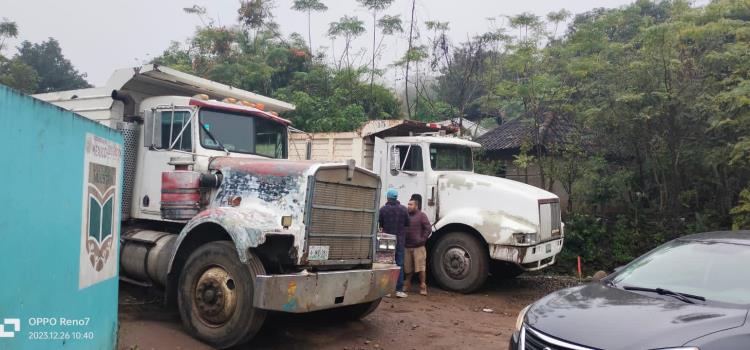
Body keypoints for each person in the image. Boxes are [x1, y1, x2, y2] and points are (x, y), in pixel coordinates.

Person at [378, 188, 409, 298]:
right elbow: (407, 223)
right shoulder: (404, 209)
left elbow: (380, 224)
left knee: (386, 265)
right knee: (399, 264)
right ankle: (399, 290)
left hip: (387, 241)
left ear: (388, 197)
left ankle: (386, 291)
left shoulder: (382, 210)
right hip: (400, 241)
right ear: (397, 197)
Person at [404, 198, 431, 296]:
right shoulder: (406, 215)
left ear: (416, 206)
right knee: (407, 268)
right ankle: (407, 285)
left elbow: (428, 228)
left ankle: (423, 286)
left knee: (420, 268)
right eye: (408, 204)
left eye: (411, 204)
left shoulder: (422, 216)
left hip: (418, 247)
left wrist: (422, 239)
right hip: (406, 246)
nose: (408, 206)